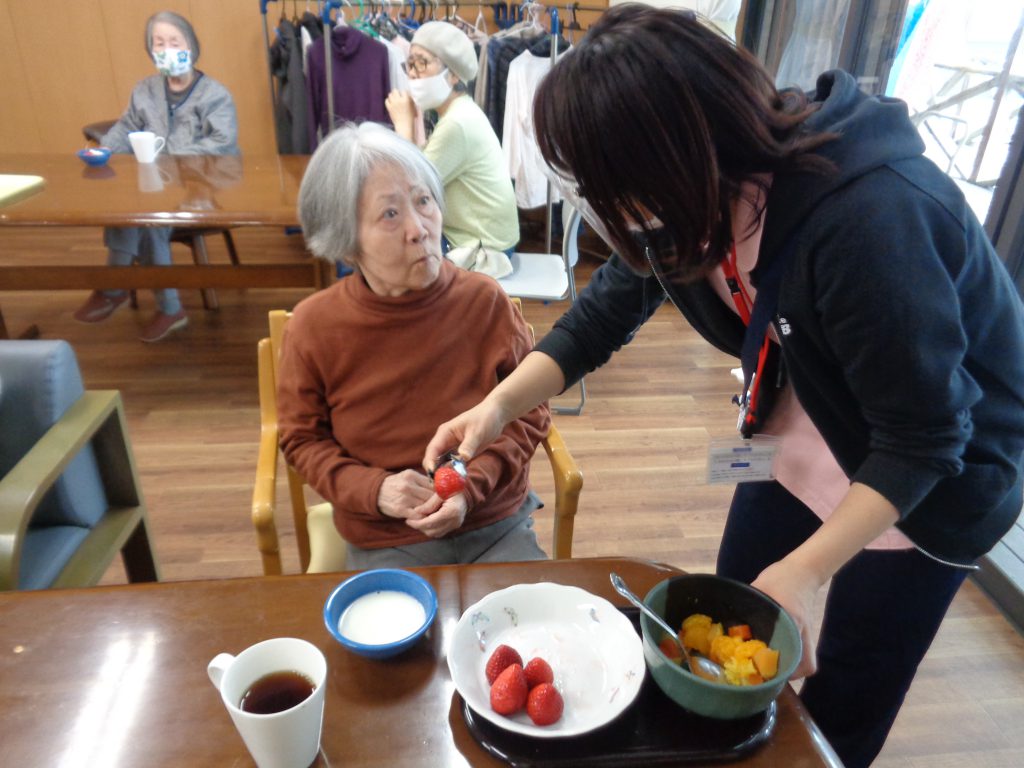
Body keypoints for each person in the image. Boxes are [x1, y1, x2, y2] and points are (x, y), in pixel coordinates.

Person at [422, 6, 1024, 767]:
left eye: (613, 186)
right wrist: (497, 407)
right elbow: (602, 316)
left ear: (678, 155)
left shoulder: (868, 217)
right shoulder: (687, 204)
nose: (614, 213)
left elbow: (926, 437)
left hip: (934, 470)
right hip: (810, 418)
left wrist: (808, 571)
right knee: (722, 626)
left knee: (841, 693)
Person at [277, 121, 550, 569]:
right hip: (386, 536)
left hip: (494, 523)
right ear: (347, 245)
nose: (420, 229)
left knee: (524, 615)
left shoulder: (484, 301)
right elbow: (302, 440)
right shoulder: (314, 327)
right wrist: (375, 490)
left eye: (423, 201)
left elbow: (530, 411)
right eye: (390, 214)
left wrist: (470, 487)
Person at [73, 10, 239, 343]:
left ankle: (150, 300)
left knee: (151, 218)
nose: (166, 49)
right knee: (128, 209)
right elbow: (126, 127)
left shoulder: (215, 94)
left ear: (191, 46)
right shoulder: (145, 90)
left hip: (201, 183)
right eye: (158, 43)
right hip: (155, 181)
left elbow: (222, 143)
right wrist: (105, 150)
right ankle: (120, 290)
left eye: (174, 42)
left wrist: (170, 156)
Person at [384, 21, 520, 262]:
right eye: (410, 64)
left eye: (422, 63)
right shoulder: (458, 111)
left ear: (454, 74)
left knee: (393, 244)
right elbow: (420, 169)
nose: (412, 73)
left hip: (485, 248)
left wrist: (404, 124)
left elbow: (410, 187)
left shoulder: (457, 123)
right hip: (480, 238)